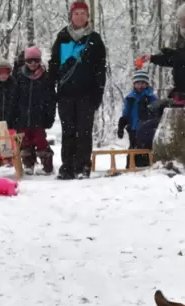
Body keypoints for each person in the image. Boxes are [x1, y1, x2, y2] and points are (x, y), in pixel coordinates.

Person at [48, 1, 107, 180]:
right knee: (68, 131)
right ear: (71, 16)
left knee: (84, 130)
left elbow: (100, 69)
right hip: (66, 93)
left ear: (87, 16)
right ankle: (67, 166)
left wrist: (98, 93)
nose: (79, 17)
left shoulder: (95, 39)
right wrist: (51, 87)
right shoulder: (63, 37)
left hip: (87, 93)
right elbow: (54, 63)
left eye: (83, 13)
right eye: (76, 13)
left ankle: (82, 166)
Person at [7, 46, 57, 175]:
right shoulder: (19, 77)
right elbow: (13, 98)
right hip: (22, 117)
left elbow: (51, 99)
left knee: (40, 140)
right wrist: (11, 116)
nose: (33, 64)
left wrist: (49, 116)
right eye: (30, 61)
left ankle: (47, 165)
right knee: (25, 141)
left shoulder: (45, 78)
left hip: (39, 117)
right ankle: (28, 163)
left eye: (36, 61)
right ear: (25, 62)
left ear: (40, 61)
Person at [117, 69, 157, 167]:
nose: (140, 86)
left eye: (143, 83)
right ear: (134, 84)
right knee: (133, 149)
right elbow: (126, 113)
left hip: (147, 130)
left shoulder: (152, 98)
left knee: (146, 151)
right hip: (133, 129)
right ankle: (130, 168)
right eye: (137, 83)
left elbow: (156, 113)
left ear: (146, 84)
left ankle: (146, 168)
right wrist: (121, 125)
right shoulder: (130, 98)